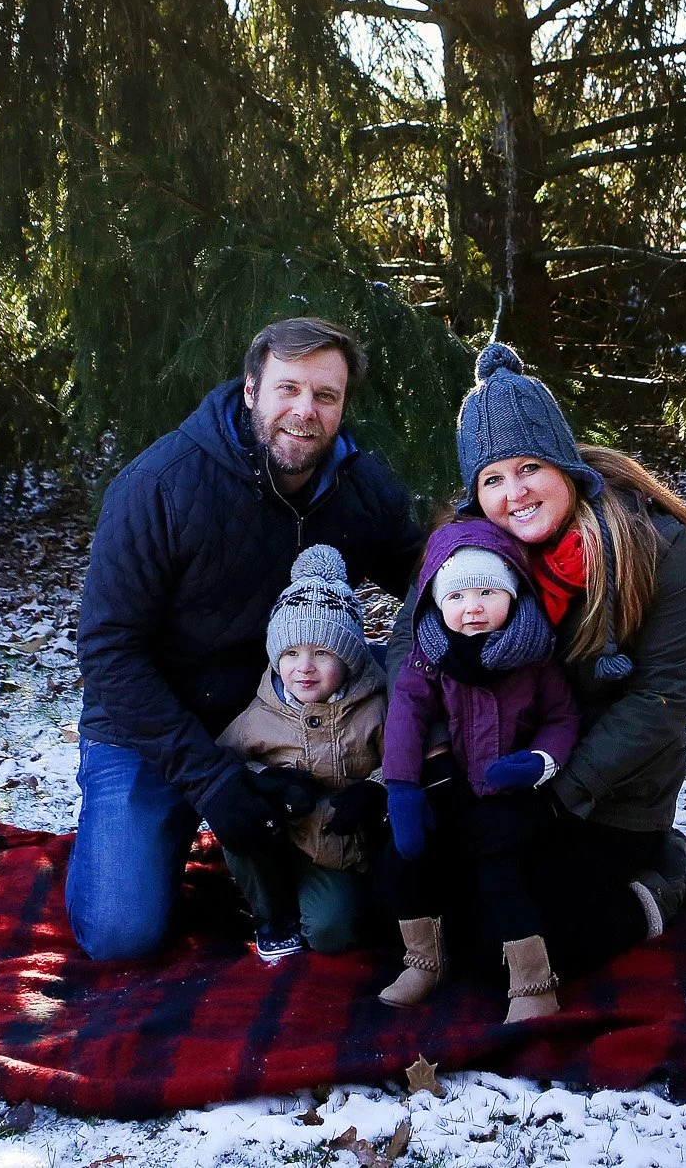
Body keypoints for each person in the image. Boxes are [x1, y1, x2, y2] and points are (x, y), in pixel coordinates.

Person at [70, 318, 426, 961]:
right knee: (120, 934)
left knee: (370, 905)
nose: (305, 411)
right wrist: (210, 779)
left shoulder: (360, 486)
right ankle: (161, 828)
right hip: (157, 721)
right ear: (250, 390)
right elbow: (108, 651)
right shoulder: (160, 485)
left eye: (326, 396)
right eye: (287, 389)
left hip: (297, 715)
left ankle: (300, 866)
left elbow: (428, 589)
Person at [390, 341, 686, 981]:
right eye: (492, 479)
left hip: (608, 794)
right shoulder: (462, 551)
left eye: (529, 468)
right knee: (415, 912)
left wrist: (555, 798)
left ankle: (664, 877)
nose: (514, 494)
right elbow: (408, 651)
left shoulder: (657, 550)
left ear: (564, 466)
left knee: (519, 948)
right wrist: (437, 761)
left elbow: (663, 699)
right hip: (486, 770)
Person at [375, 520, 579, 1022]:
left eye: (488, 591)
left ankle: (534, 983)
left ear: (512, 594)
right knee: (407, 861)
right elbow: (406, 716)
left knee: (501, 873)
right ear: (438, 603)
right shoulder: (429, 657)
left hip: (510, 789)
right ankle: (424, 960)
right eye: (458, 595)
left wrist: (540, 762)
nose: (472, 607)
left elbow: (562, 717)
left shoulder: (534, 656)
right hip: (447, 784)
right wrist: (401, 786)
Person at [214, 545, 391, 961]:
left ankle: (324, 901)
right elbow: (225, 764)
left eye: (322, 652)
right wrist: (263, 780)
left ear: (348, 659)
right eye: (291, 653)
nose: (304, 667)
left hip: (335, 849)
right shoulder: (261, 714)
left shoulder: (378, 707)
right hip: (278, 837)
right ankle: (271, 914)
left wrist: (375, 789)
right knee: (236, 822)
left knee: (332, 932)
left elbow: (405, 759)